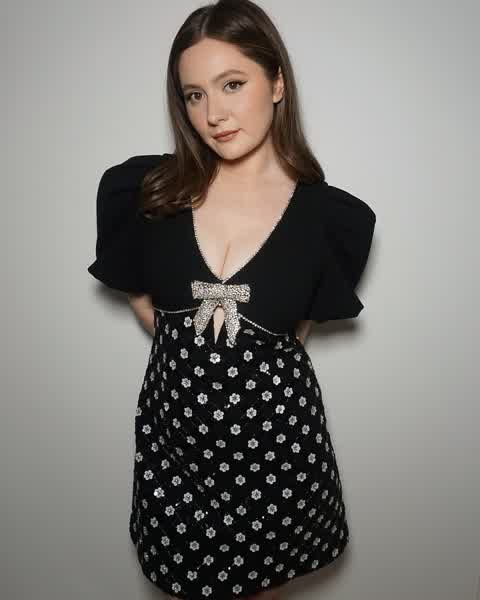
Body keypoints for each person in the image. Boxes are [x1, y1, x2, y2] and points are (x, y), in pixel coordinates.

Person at [87, 1, 376, 599]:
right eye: (194, 95)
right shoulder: (149, 191)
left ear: (277, 83)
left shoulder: (330, 219)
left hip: (277, 455)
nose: (213, 114)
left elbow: (288, 337)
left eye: (232, 84)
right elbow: (148, 304)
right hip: (175, 455)